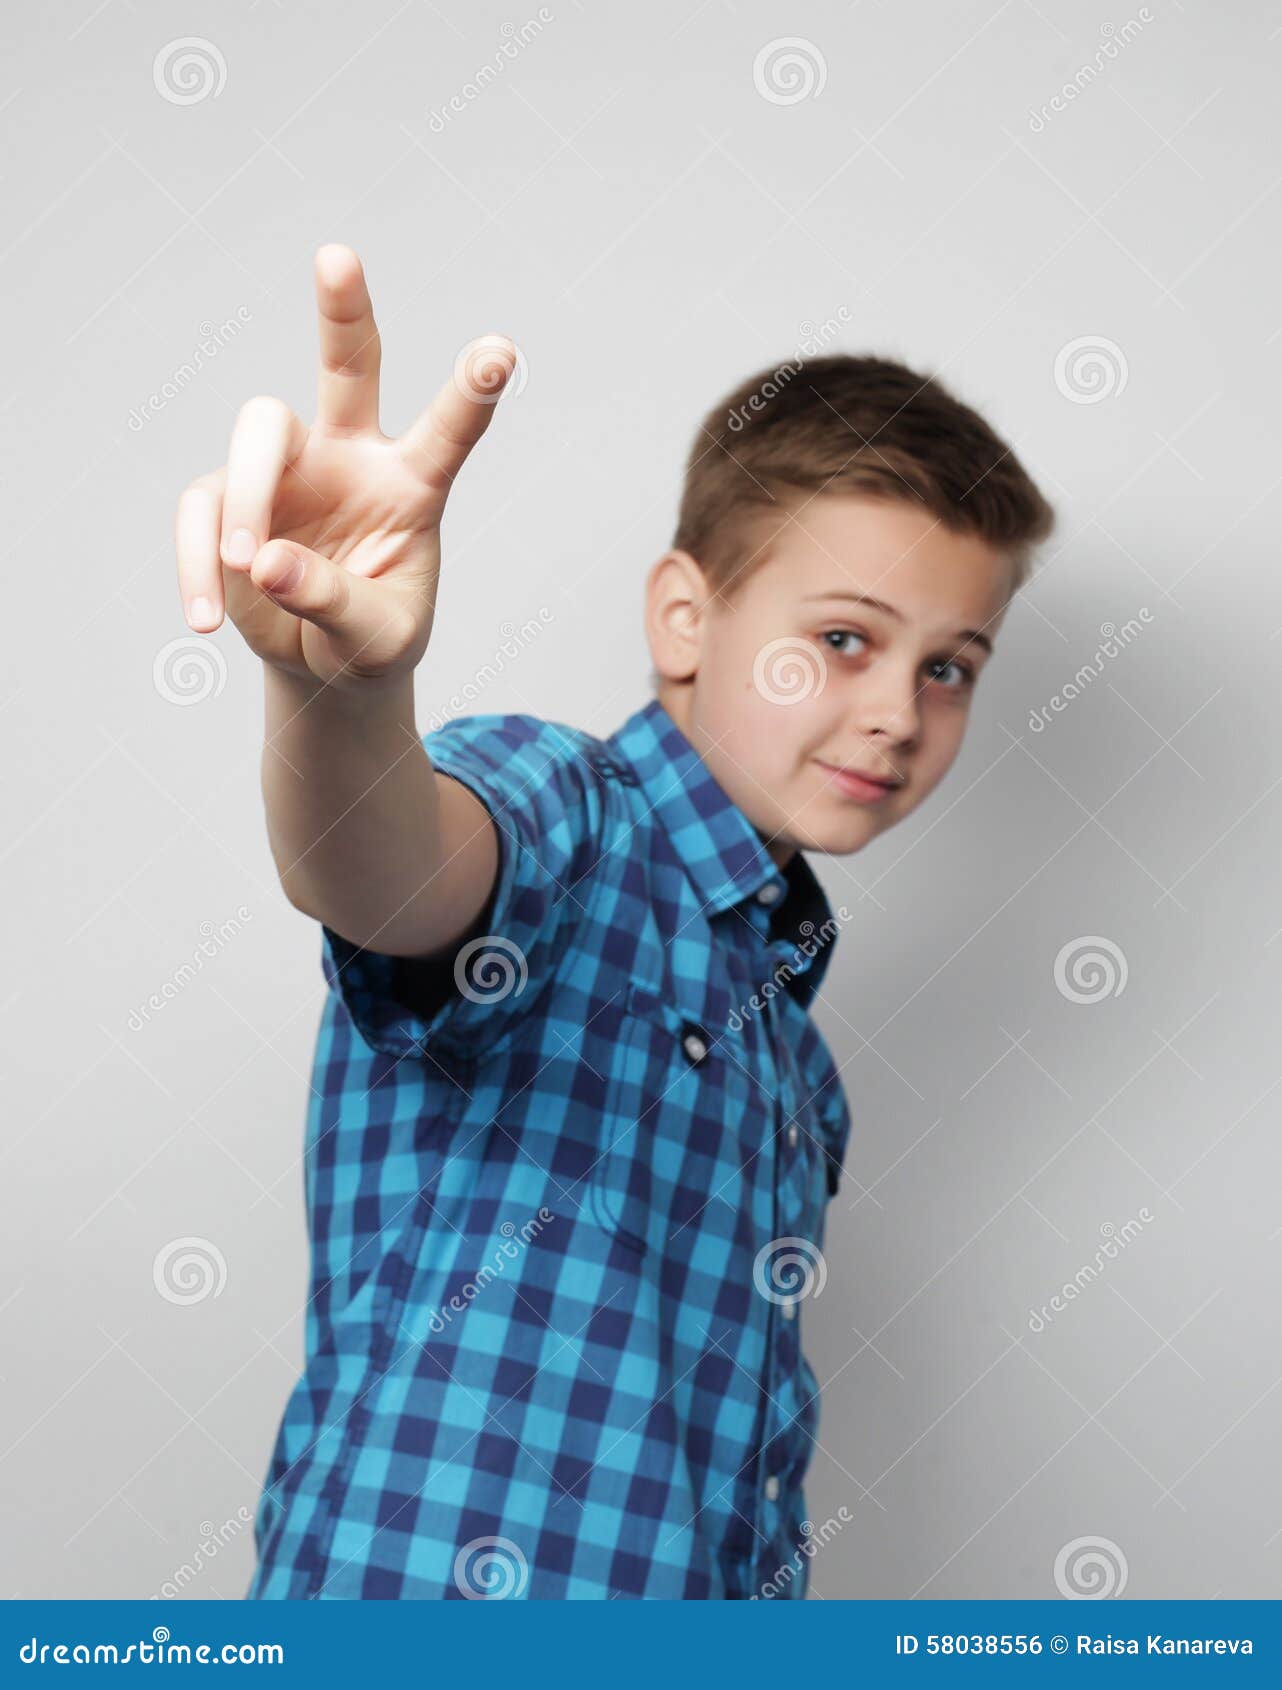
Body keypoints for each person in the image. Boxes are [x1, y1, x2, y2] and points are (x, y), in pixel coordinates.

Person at [174, 243, 1054, 1600]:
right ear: (683, 616)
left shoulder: (795, 1066)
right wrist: (342, 695)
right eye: (841, 638)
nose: (897, 710)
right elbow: (387, 875)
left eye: (950, 666)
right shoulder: (569, 813)